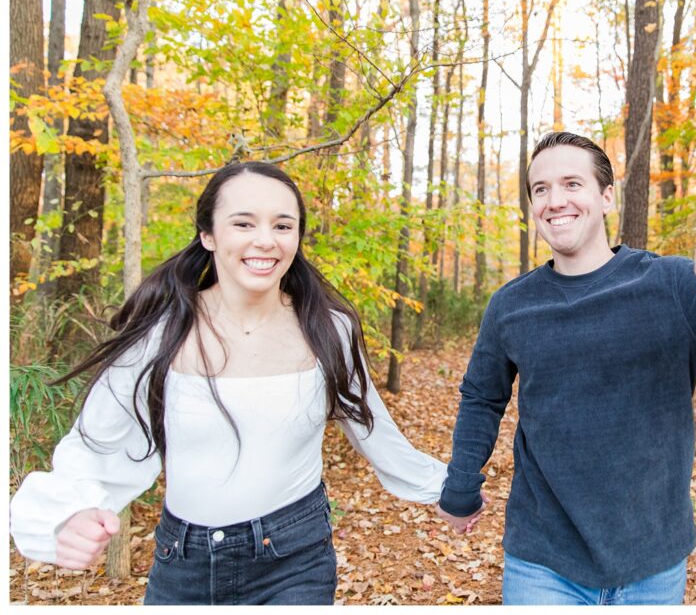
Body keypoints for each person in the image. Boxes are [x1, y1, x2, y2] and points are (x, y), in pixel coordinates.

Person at [10, 161, 447, 605]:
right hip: (183, 564)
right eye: (243, 223)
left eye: (283, 225)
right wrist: (67, 514)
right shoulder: (161, 331)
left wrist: (446, 489)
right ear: (209, 235)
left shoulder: (329, 328)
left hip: (294, 560)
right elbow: (95, 443)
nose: (266, 240)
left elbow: (370, 426)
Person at [435, 131, 696, 605]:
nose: (554, 200)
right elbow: (482, 398)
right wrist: (460, 485)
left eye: (571, 184)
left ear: (606, 197)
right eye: (540, 189)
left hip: (653, 565)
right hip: (543, 563)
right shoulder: (511, 306)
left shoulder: (672, 286)